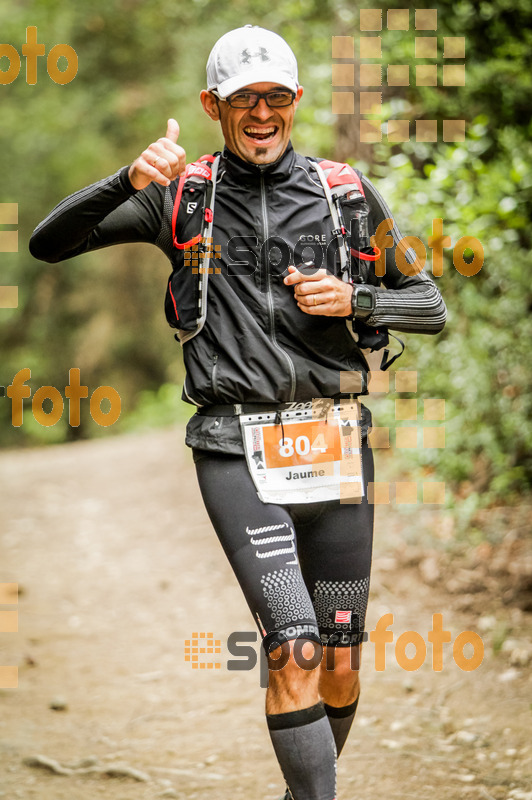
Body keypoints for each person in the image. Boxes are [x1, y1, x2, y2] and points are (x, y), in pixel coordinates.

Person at [30, 25, 446, 800]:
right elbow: (48, 244)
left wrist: (356, 298)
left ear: (296, 101)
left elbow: (429, 303)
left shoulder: (344, 192)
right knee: (290, 646)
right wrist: (127, 179)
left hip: (336, 444)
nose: (261, 113)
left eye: (276, 97)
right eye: (242, 99)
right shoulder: (181, 196)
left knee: (339, 654)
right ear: (211, 106)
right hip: (234, 447)